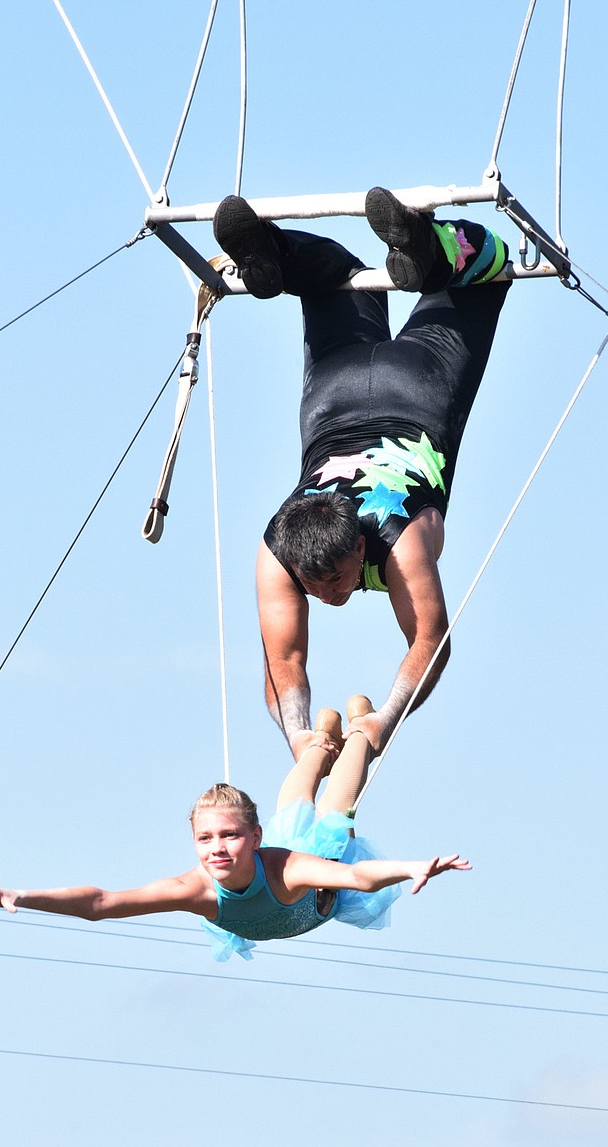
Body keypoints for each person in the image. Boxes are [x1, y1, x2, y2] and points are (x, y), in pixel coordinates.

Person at [212, 186, 512, 762]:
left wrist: (384, 720)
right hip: (339, 389)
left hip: (417, 384)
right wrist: (297, 734)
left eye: (334, 578)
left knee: (488, 271)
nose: (327, 595)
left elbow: (431, 639)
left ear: (359, 546)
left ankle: (427, 248)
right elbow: (282, 660)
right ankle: (277, 253)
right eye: (314, 584)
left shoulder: (400, 543)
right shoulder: (280, 551)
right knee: (339, 279)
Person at [0, 697, 470, 962]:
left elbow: (357, 878)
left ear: (254, 838)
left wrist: (411, 867)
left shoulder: (287, 867)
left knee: (333, 816)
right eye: (205, 839)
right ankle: (321, 741)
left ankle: (358, 729)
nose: (217, 849)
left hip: (317, 885)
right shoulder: (195, 889)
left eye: (229, 836)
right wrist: (19, 896)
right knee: (294, 809)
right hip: (277, 876)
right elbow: (101, 904)